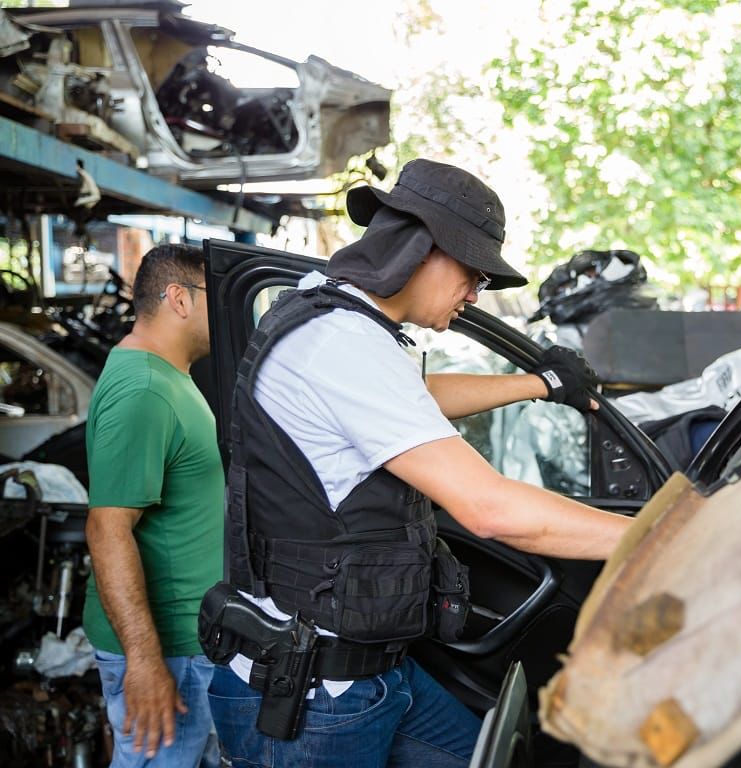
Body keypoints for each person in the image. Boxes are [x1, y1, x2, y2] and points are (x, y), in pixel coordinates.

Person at [204, 159, 634, 767]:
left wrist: (540, 383)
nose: (476, 293)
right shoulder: (340, 343)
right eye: (474, 273)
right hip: (311, 701)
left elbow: (416, 401)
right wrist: (664, 533)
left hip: (367, 674)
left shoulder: (335, 318)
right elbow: (488, 510)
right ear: (423, 250)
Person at [83, 243, 223, 767]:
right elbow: (107, 529)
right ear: (178, 299)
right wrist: (145, 662)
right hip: (167, 650)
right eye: (216, 296)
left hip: (188, 641)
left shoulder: (164, 376)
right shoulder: (145, 389)